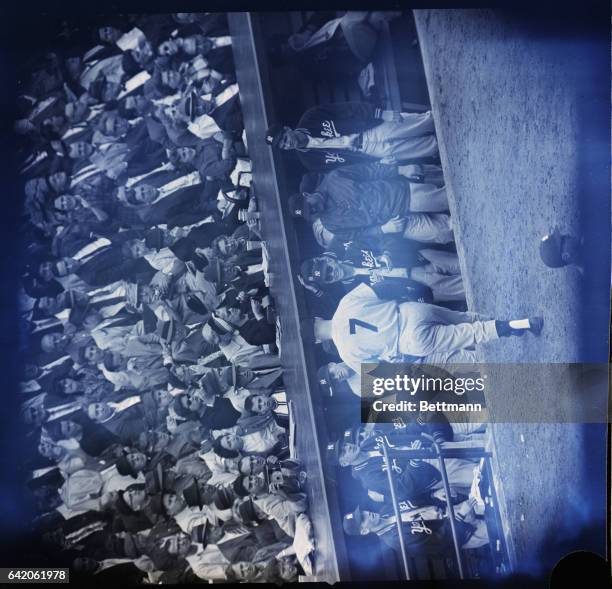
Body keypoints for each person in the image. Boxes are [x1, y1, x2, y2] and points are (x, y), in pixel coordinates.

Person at [314, 282, 543, 371]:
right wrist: (411, 289)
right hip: (408, 311)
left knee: (471, 334)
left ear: (317, 341)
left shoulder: (346, 354)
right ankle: (512, 324)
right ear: (316, 319)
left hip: (408, 342)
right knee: (465, 318)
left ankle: (517, 325)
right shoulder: (344, 304)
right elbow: (384, 286)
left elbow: (380, 371)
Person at [265, 102, 437, 171]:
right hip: (369, 152)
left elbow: (347, 109)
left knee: (428, 121)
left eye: (285, 139)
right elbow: (345, 168)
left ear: (287, 129)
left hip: (372, 128)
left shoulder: (311, 117)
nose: (287, 144)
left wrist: (380, 113)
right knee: (429, 147)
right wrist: (377, 165)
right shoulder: (308, 160)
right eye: (283, 146)